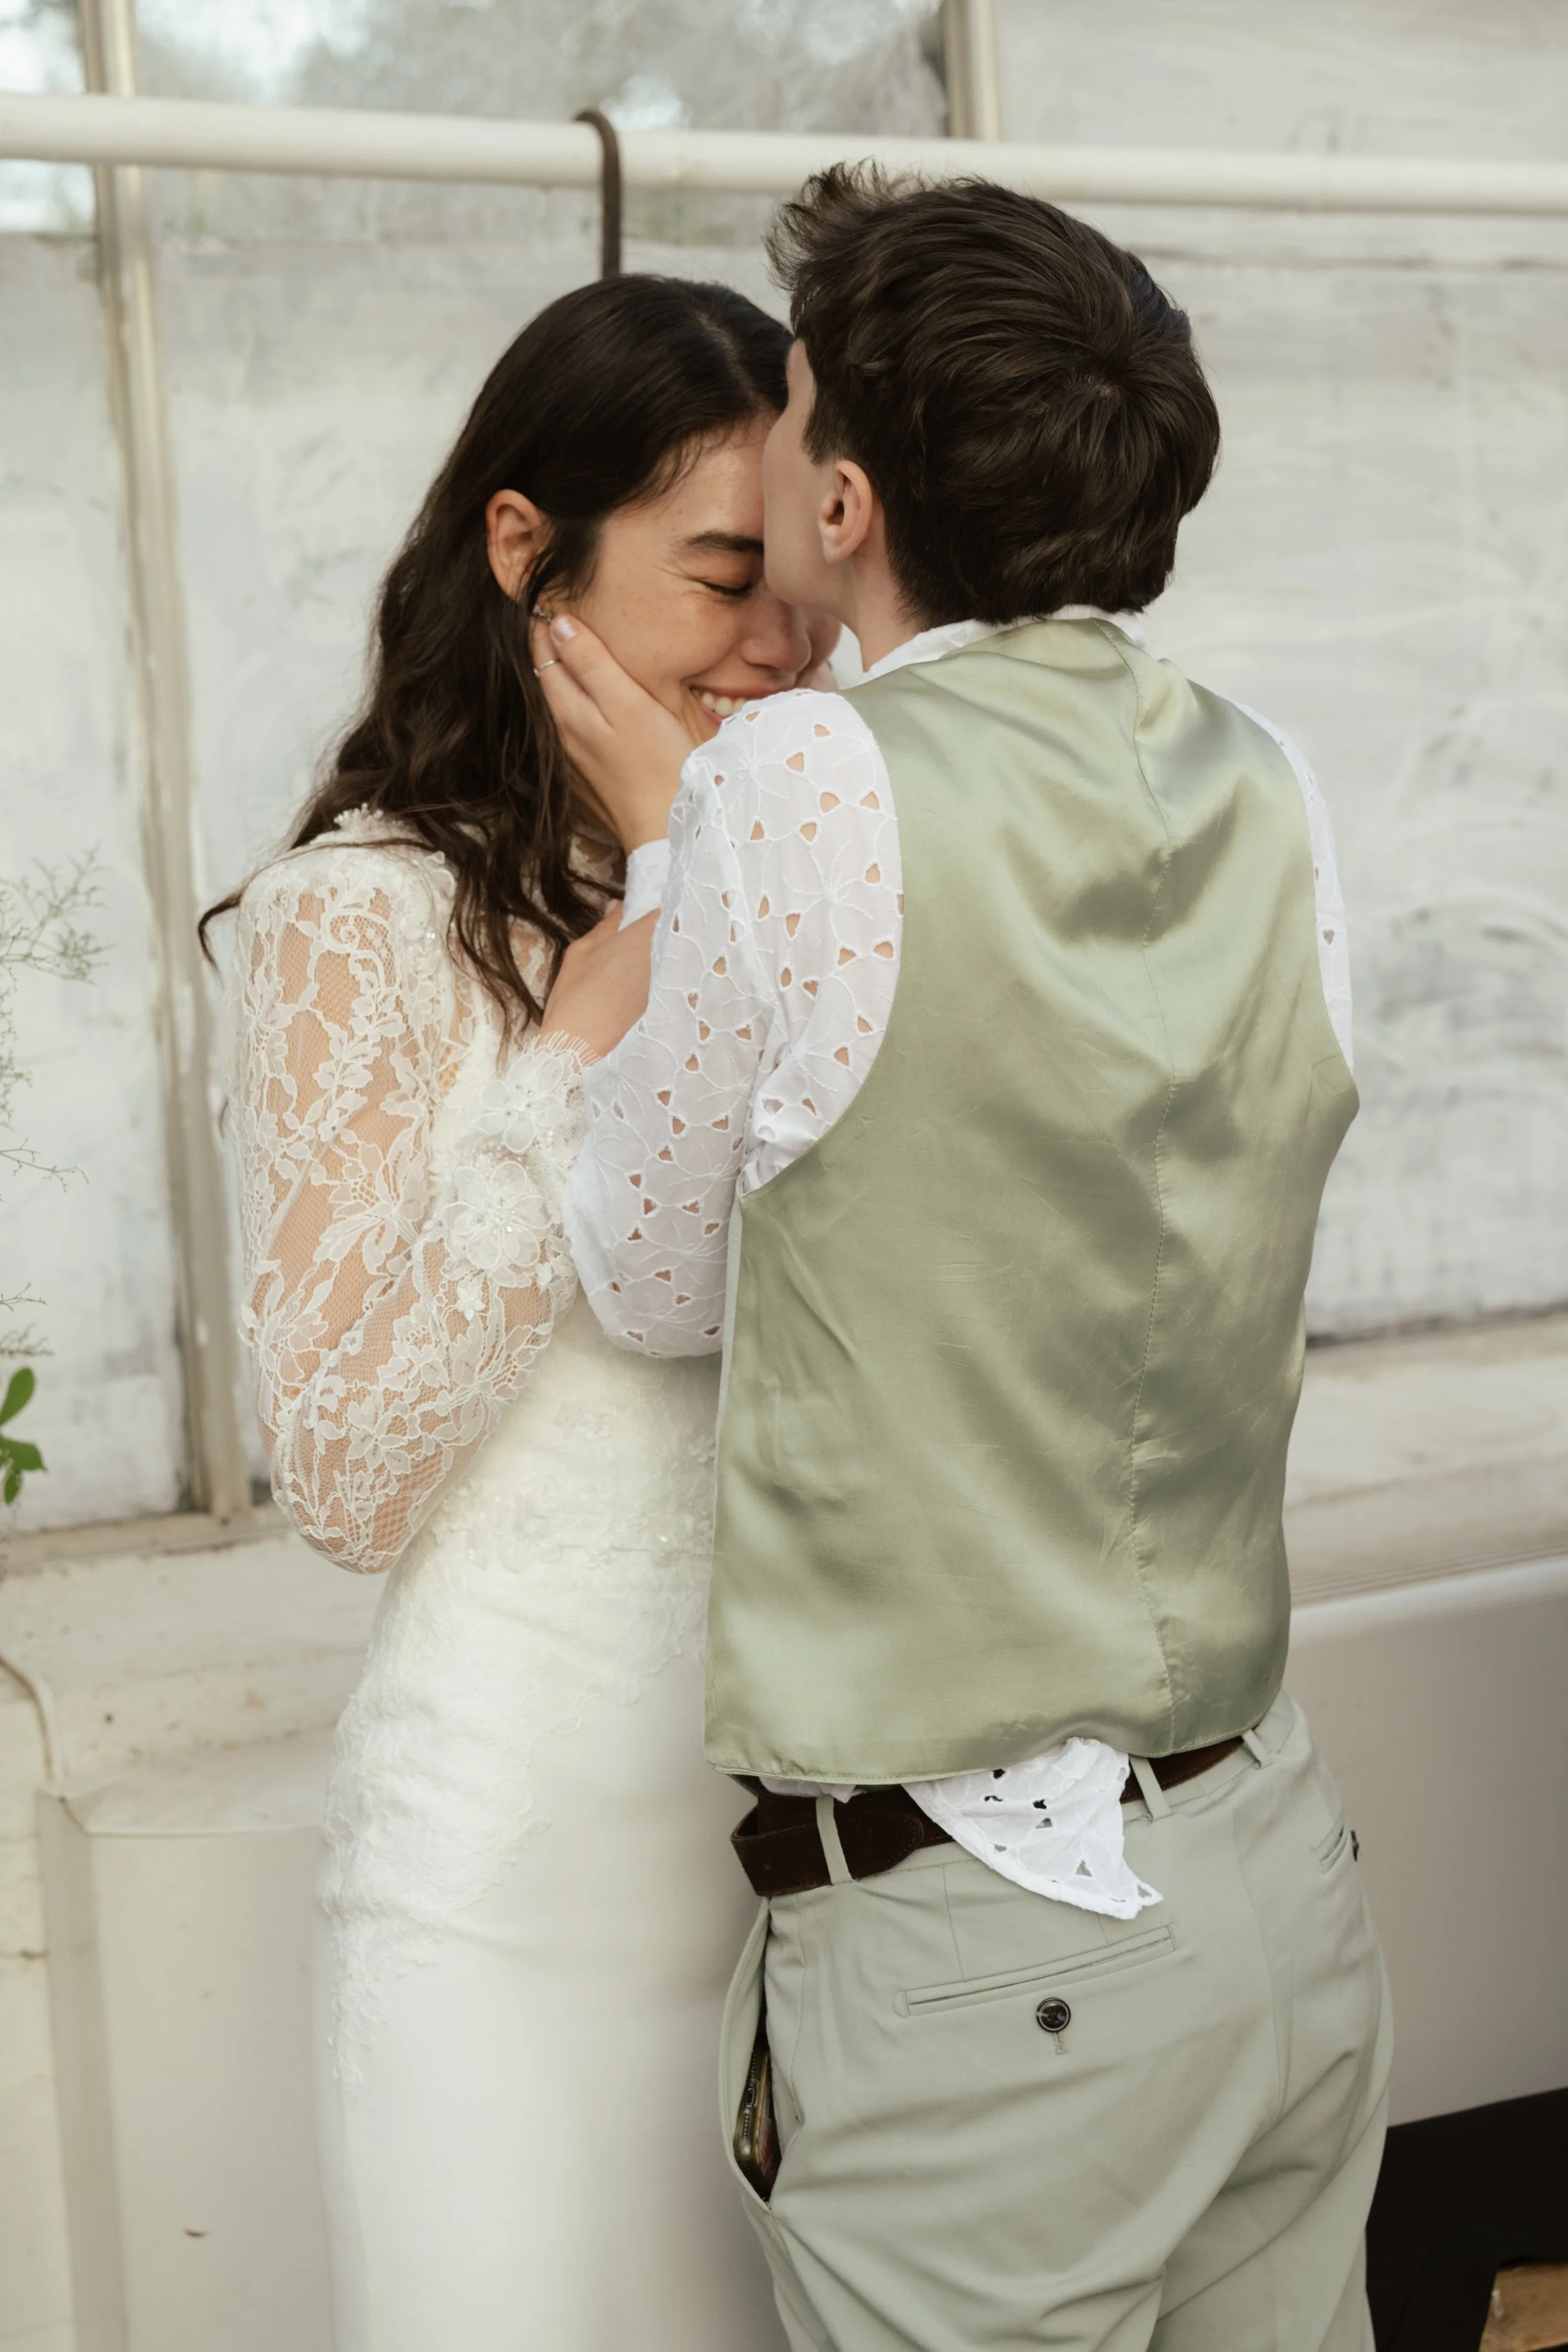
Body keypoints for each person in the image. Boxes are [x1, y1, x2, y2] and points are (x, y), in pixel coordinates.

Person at [536, 169, 1391, 2352]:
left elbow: (653, 1277)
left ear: (841, 501)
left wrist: (659, 858)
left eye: (792, 408)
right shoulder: (1272, 779)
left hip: (988, 1951)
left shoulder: (798, 780)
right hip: (1271, 1859)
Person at [209, 275, 830, 2351]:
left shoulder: (801, 889)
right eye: (721, 576)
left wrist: (681, 888)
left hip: (809, 1893)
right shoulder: (352, 914)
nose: (777, 641)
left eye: (802, 582)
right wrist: (565, 1058)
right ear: (522, 545)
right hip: (504, 1896)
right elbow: (344, 1473)